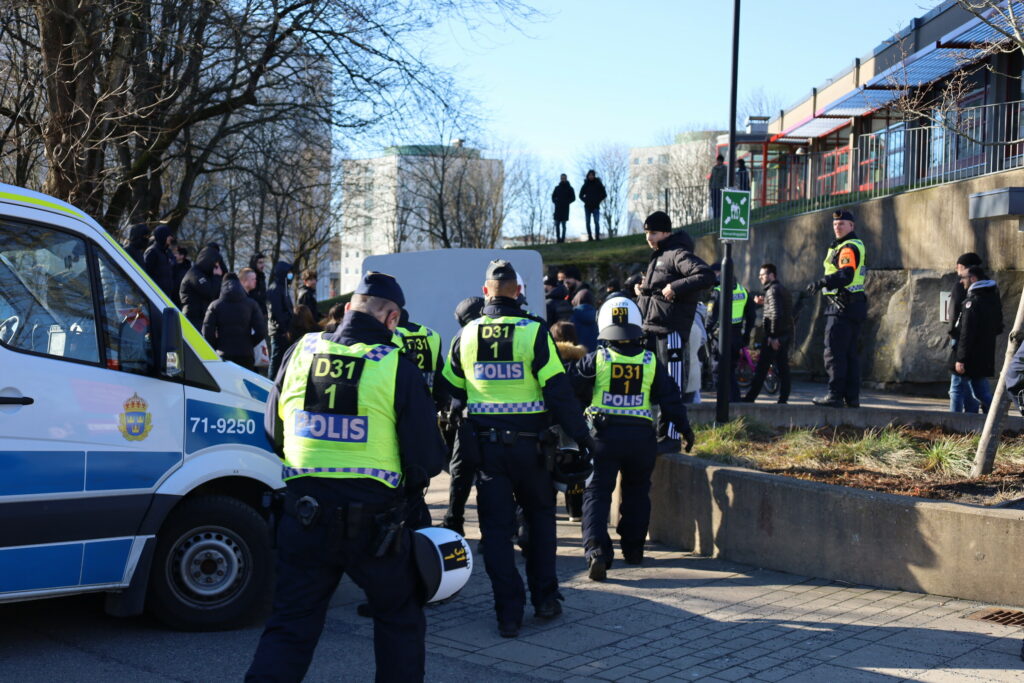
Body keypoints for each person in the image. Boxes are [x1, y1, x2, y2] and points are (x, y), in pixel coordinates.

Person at [245, 272, 445, 683]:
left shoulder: (300, 351)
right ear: (392, 320)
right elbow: (427, 457)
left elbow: (273, 431)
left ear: (350, 307)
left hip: (303, 516)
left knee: (290, 627)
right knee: (399, 620)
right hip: (375, 528)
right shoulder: (395, 367)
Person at [441, 260, 593, 638]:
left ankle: (507, 613)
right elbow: (558, 393)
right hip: (533, 452)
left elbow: (449, 392)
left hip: (487, 452)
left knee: (494, 531)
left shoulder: (466, 335)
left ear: (486, 289)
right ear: (518, 291)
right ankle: (544, 599)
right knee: (541, 523)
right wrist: (585, 439)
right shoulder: (534, 333)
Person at [567, 296, 694, 580]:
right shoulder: (650, 361)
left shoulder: (597, 359)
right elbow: (671, 399)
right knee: (637, 493)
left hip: (602, 437)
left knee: (597, 493)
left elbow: (568, 387)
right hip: (640, 438)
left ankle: (597, 551)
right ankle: (634, 550)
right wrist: (685, 429)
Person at [634, 211, 715, 451]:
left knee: (671, 387)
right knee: (652, 386)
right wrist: (642, 291)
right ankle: (654, 435)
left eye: (654, 232)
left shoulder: (676, 254)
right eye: (647, 233)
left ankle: (670, 438)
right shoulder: (658, 256)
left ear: (667, 232)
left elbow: (706, 274)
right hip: (651, 330)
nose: (649, 237)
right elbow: (657, 293)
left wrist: (675, 287)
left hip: (670, 332)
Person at [807, 209, 868, 408]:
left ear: (852, 226)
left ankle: (835, 395)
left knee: (834, 352)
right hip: (854, 305)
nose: (837, 227)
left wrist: (822, 282)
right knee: (850, 354)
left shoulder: (848, 247)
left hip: (841, 306)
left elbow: (846, 275)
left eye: (842, 224)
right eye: (835, 224)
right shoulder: (850, 245)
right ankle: (852, 397)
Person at [440, 296, 485, 536]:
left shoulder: (463, 337)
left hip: (469, 419)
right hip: (506, 418)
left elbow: (451, 382)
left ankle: (454, 521)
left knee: (460, 473)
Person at [550, 320, 588, 522]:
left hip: (549, 420)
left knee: (548, 465)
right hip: (576, 421)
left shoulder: (546, 359)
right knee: (574, 465)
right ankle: (575, 511)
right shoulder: (582, 363)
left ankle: (548, 507)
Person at [953, 265, 1003, 413]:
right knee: (980, 391)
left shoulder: (973, 301)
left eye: (963, 278)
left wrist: (961, 358)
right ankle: (993, 417)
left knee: (963, 390)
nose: (961, 281)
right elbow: (999, 327)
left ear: (973, 278)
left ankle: (955, 422)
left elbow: (966, 332)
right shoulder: (991, 298)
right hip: (985, 352)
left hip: (972, 355)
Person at [744, 263, 793, 404]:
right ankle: (783, 399)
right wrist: (765, 303)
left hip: (775, 337)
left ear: (771, 275)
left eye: (762, 274)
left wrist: (773, 337)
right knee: (783, 368)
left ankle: (750, 398)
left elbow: (776, 314)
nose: (760, 277)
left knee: (762, 369)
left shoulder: (772, 290)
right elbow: (779, 309)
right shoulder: (780, 289)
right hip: (783, 335)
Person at [202, 272, 267, 371]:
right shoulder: (252, 304)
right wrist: (249, 343)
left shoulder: (215, 305)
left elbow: (207, 332)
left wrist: (217, 345)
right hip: (246, 354)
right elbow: (261, 331)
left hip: (223, 353)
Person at [709, 262, 755, 402]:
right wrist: (746, 335)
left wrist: (707, 332)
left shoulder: (718, 291)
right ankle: (734, 400)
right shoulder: (743, 291)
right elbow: (751, 317)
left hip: (720, 336)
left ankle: (723, 401)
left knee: (718, 370)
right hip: (736, 335)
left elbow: (710, 316)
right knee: (730, 370)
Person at [949, 252, 984, 413]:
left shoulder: (961, 285)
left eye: (959, 267)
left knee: (956, 386)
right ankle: (972, 412)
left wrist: (952, 331)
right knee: (972, 383)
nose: (957, 271)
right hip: (978, 340)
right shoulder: (987, 287)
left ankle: (953, 422)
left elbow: (955, 312)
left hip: (961, 338)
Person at [179, 245, 223, 331]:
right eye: (215, 263)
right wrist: (217, 277)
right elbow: (210, 292)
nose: (217, 266)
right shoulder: (195, 274)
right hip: (192, 320)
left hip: (201, 318)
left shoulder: (205, 274)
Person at [267, 260, 295, 378]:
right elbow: (277, 312)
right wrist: (284, 329)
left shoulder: (283, 288)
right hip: (279, 332)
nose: (291, 275)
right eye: (288, 273)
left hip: (283, 331)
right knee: (276, 361)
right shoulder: (275, 289)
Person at [143, 225, 176, 300]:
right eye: (169, 236)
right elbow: (147, 273)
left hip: (164, 295)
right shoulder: (152, 251)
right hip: (155, 295)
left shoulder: (165, 252)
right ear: (163, 236)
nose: (171, 238)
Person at [578, 169, 607, 241]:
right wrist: (586, 201)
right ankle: (590, 237)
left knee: (596, 222)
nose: (590, 176)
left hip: (596, 206)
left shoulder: (598, 183)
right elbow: (580, 195)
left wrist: (598, 200)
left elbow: (604, 194)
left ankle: (597, 237)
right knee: (588, 222)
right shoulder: (585, 184)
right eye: (589, 175)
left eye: (592, 175)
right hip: (587, 206)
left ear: (594, 176)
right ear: (587, 176)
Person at [551, 173, 575, 244]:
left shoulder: (570, 188)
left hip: (565, 209)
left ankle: (563, 239)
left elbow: (573, 198)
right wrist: (556, 202)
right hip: (557, 209)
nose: (563, 179)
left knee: (564, 225)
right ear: (560, 179)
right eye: (562, 178)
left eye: (564, 178)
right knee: (557, 224)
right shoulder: (557, 188)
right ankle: (558, 239)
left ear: (566, 178)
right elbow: (553, 197)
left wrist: (567, 202)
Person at [249, 252, 269, 316]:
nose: (263, 265)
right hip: (253, 314)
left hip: (262, 313)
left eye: (263, 262)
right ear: (254, 263)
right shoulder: (249, 277)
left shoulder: (262, 277)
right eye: (260, 263)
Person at [709, 154, 727, 219]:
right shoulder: (714, 168)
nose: (717, 162)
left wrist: (723, 186)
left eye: (719, 161)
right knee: (714, 204)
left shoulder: (724, 169)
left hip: (720, 188)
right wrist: (710, 186)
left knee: (719, 204)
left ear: (721, 161)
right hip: (713, 188)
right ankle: (715, 217)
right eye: (717, 161)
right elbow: (711, 178)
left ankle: (719, 217)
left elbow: (725, 178)